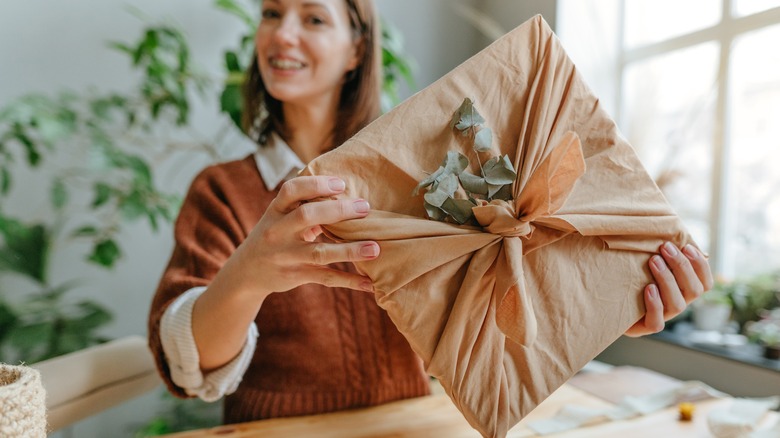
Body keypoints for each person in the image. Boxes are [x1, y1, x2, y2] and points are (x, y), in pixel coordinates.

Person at [148, 0, 714, 425]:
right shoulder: (223, 189)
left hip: (416, 428)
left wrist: (610, 301)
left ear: (357, 49)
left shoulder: (432, 174)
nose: (283, 33)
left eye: (313, 17)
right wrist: (248, 274)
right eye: (272, 13)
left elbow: (491, 307)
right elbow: (186, 364)